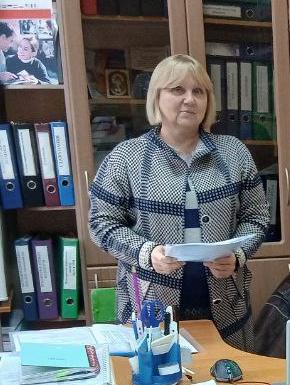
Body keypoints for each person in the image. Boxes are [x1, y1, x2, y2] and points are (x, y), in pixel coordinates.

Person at [88, 54, 268, 348]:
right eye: (177, 90)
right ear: (157, 97)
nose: (189, 99)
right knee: (160, 373)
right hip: (150, 303)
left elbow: (257, 217)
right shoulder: (126, 157)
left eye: (199, 91)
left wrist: (238, 256)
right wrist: (147, 253)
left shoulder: (234, 152)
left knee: (231, 374)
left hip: (227, 304)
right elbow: (101, 223)